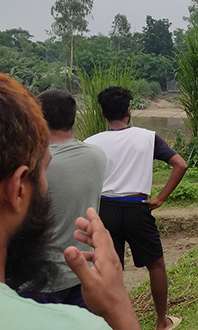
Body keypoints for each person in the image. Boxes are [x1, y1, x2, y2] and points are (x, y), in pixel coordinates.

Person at [0, 73, 140, 330]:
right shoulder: (97, 156)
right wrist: (119, 307)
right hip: (80, 277)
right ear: (18, 188)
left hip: (34, 282)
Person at [85, 86, 187, 330]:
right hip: (137, 206)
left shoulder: (90, 143)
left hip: (105, 208)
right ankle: (162, 321)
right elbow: (180, 165)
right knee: (156, 265)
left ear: (103, 114)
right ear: (129, 112)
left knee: (110, 267)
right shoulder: (148, 137)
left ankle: (111, 322)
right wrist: (161, 198)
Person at [21, 90, 107, 308]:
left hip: (40, 280)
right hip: (83, 272)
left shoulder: (35, 165)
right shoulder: (97, 155)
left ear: (39, 118)